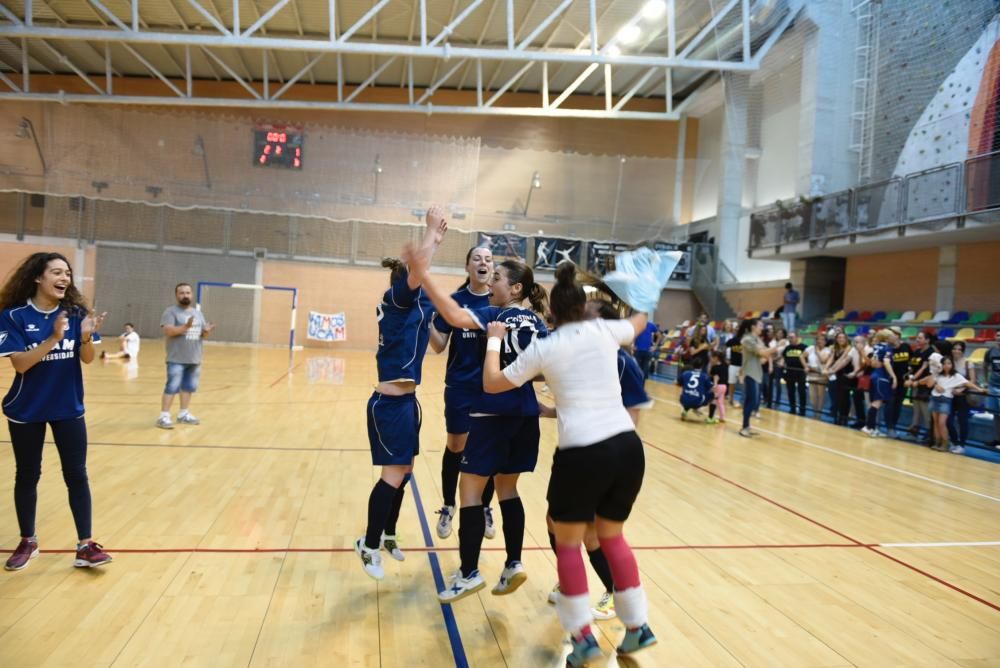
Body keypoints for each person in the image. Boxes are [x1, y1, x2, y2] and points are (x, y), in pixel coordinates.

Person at [482, 262, 656, 666]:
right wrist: (644, 288)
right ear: (583, 308)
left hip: (583, 454)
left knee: (568, 542)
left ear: (553, 315)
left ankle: (582, 639)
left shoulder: (546, 346)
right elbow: (641, 321)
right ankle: (637, 627)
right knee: (613, 537)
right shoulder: (604, 330)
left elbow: (492, 383)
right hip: (628, 450)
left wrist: (494, 341)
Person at [406, 246, 549, 602]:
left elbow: (453, 314)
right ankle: (514, 562)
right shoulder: (539, 323)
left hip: (490, 415)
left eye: (498, 277)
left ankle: (468, 573)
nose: (493, 280)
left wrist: (423, 276)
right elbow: (543, 370)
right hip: (525, 417)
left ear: (515, 289)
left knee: (469, 493)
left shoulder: (495, 317)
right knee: (508, 490)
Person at [0, 252, 113, 571]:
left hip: (68, 407)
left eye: (68, 273)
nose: (65, 278)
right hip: (27, 408)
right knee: (27, 474)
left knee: (77, 474)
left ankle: (86, 545)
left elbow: (88, 358)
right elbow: (21, 363)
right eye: (57, 272)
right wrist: (53, 339)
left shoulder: (76, 313)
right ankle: (28, 541)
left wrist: (87, 337)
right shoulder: (14, 316)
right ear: (38, 277)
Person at [354, 208, 447, 580]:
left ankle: (389, 535)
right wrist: (430, 235)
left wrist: (460, 316)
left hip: (408, 402)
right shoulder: (395, 300)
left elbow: (438, 342)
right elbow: (417, 270)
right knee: (391, 475)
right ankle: (369, 544)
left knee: (404, 472)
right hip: (389, 404)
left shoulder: (419, 306)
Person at [428, 246, 498, 541]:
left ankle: (484, 507)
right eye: (477, 259)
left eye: (488, 259)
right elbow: (439, 345)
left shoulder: (501, 301)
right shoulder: (455, 302)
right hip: (460, 385)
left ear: (493, 268)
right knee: (456, 445)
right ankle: (448, 505)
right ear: (468, 266)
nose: (483, 263)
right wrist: (426, 321)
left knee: (489, 449)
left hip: (493, 386)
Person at [157, 283, 215, 429]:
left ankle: (183, 414)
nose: (185, 295)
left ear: (192, 295)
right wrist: (185, 327)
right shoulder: (170, 312)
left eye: (188, 293)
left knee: (188, 387)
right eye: (182, 293)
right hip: (176, 358)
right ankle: (163, 416)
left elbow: (202, 335)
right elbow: (168, 331)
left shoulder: (198, 313)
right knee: (172, 386)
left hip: (194, 358)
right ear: (176, 295)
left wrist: (206, 331)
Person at [929, 356, 983, 453]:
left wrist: (979, 389)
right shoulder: (938, 375)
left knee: (942, 423)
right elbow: (929, 384)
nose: (946, 366)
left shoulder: (956, 376)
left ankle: (945, 443)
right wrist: (935, 376)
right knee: (936, 422)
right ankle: (937, 442)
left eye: (949, 363)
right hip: (934, 398)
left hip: (945, 399)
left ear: (952, 365)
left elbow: (967, 383)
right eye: (944, 363)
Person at [738, 318, 772, 438]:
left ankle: (746, 426)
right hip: (750, 373)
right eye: (760, 325)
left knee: (753, 401)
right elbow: (763, 353)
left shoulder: (758, 340)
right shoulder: (747, 339)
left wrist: (766, 355)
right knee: (752, 401)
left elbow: (764, 355)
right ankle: (744, 427)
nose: (762, 328)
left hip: (757, 373)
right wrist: (777, 347)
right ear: (753, 327)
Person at [862, 329, 896, 438]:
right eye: (892, 336)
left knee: (875, 403)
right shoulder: (888, 348)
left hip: (874, 375)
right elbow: (886, 362)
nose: (894, 337)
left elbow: (873, 363)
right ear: (887, 338)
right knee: (876, 403)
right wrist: (894, 376)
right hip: (881, 377)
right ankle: (868, 427)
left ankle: (872, 428)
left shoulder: (876, 347)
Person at [947, 340, 974, 449]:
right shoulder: (948, 362)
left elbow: (972, 380)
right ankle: (954, 441)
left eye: (959, 349)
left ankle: (962, 445)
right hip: (950, 394)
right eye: (954, 349)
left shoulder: (968, 362)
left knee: (962, 420)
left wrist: (961, 389)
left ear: (963, 351)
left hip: (963, 396)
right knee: (948, 420)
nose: (956, 351)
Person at [886, 327, 912, 438]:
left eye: (891, 334)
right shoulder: (887, 349)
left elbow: (912, 361)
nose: (889, 337)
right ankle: (889, 427)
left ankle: (893, 427)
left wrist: (910, 374)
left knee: (898, 405)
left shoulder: (906, 346)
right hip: (891, 380)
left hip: (903, 381)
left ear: (897, 335)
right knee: (890, 404)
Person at [804, 332, 831, 418]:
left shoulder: (828, 350)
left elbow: (823, 360)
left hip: (821, 375)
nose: (820, 341)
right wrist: (806, 365)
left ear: (825, 342)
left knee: (820, 396)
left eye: (822, 340)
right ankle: (814, 411)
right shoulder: (810, 348)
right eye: (818, 339)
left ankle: (818, 413)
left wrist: (817, 352)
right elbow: (801, 356)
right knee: (812, 396)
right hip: (811, 374)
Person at [782, 331, 807, 416]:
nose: (790, 339)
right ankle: (792, 408)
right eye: (789, 337)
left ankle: (802, 410)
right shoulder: (787, 348)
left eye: (792, 337)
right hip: (789, 372)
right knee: (790, 391)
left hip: (800, 372)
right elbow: (783, 358)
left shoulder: (804, 347)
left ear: (797, 337)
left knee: (801, 392)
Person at [983, 329, 1000, 450]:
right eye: (998, 335)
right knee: (996, 415)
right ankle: (997, 439)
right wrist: (986, 381)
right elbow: (985, 366)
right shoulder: (990, 352)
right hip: (993, 386)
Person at [708, 349, 728, 424]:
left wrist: (711, 365)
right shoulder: (725, 365)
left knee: (713, 401)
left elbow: (712, 374)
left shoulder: (715, 367)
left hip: (718, 386)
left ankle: (710, 417)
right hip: (724, 386)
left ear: (716, 358)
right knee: (720, 402)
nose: (711, 359)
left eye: (712, 358)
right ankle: (722, 417)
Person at [725, 325, 744, 406]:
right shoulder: (732, 340)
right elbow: (725, 347)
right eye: (736, 329)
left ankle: (742, 401)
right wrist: (726, 358)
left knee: (743, 384)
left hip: (743, 366)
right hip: (733, 365)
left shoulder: (745, 341)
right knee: (731, 383)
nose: (737, 331)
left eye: (738, 329)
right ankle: (731, 399)